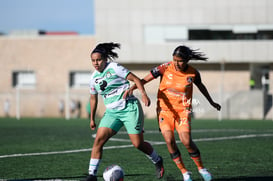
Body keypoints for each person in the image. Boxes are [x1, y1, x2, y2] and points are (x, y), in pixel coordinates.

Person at [129, 45, 221, 181]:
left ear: (187, 60)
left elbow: (201, 87)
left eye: (180, 61)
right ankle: (185, 172)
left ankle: (201, 168)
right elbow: (144, 80)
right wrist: (132, 88)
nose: (177, 63)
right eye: (175, 60)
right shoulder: (165, 68)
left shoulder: (193, 73)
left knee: (187, 141)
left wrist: (211, 102)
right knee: (169, 141)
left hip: (183, 111)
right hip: (164, 111)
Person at [86, 42, 164, 181]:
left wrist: (144, 94)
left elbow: (136, 79)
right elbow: (93, 99)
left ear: (105, 59)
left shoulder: (114, 68)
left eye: (98, 60)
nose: (96, 63)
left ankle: (157, 160)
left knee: (138, 144)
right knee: (98, 140)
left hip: (129, 108)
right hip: (112, 113)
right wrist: (92, 118)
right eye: (93, 60)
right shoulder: (93, 79)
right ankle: (92, 175)